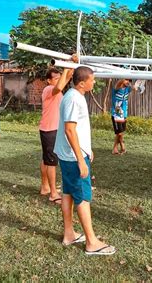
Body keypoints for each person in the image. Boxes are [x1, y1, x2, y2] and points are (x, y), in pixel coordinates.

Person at [54, 66, 116, 255]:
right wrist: (81, 159)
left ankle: (69, 234)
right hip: (73, 158)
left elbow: (76, 129)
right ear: (82, 83)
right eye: (92, 79)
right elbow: (70, 130)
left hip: (70, 154)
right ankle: (91, 242)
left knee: (68, 192)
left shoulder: (73, 95)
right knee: (82, 196)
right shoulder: (74, 98)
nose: (94, 82)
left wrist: (87, 150)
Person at [38, 62, 75, 203]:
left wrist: (72, 64)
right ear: (48, 80)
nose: (58, 80)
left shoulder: (57, 89)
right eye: (55, 78)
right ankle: (53, 193)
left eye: (59, 78)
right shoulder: (49, 89)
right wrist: (66, 68)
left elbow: (67, 78)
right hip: (49, 130)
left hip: (49, 129)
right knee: (52, 162)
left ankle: (45, 187)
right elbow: (60, 85)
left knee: (46, 159)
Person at [111, 79, 134, 155]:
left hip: (124, 114)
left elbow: (135, 86)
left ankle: (119, 148)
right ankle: (119, 148)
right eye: (126, 80)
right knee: (119, 133)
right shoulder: (116, 89)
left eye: (129, 80)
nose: (128, 82)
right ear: (122, 79)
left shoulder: (127, 89)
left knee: (120, 133)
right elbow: (118, 84)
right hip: (116, 114)